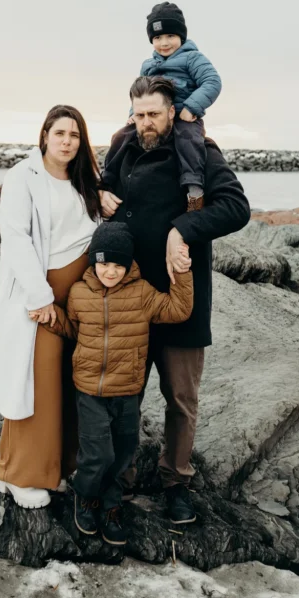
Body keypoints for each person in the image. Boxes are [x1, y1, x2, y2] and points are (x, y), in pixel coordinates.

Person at [100, 75, 251, 524]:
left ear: (172, 111)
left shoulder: (201, 151)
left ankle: (176, 483)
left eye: (154, 114)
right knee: (124, 394)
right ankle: (119, 477)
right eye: (139, 114)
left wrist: (181, 230)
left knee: (180, 400)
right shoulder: (122, 146)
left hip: (182, 298)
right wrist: (102, 196)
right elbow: (105, 191)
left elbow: (236, 206)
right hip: (132, 298)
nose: (146, 123)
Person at [48, 222, 193, 546]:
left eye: (117, 265)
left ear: (128, 264)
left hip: (127, 392)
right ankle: (85, 498)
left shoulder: (142, 293)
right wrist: (53, 319)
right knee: (96, 453)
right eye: (103, 264)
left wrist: (182, 271)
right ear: (92, 262)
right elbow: (74, 329)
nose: (110, 272)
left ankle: (112, 507)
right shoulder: (79, 293)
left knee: (122, 455)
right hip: (89, 392)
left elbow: (179, 309)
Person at [0, 105, 101, 508]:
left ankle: (46, 468)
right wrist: (40, 299)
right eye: (60, 134)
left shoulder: (83, 180)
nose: (67, 142)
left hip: (78, 301)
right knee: (36, 383)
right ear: (44, 136)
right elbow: (16, 238)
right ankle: (23, 476)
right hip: (41, 299)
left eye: (74, 135)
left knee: (64, 384)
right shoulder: (22, 177)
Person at [103, 1, 222, 211]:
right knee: (120, 137)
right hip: (153, 118)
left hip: (185, 117)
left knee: (189, 142)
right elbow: (139, 93)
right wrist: (133, 114)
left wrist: (191, 107)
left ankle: (194, 189)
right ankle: (107, 181)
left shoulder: (192, 58)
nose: (164, 43)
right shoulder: (148, 65)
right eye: (157, 37)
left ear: (181, 36)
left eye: (170, 36)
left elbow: (212, 82)